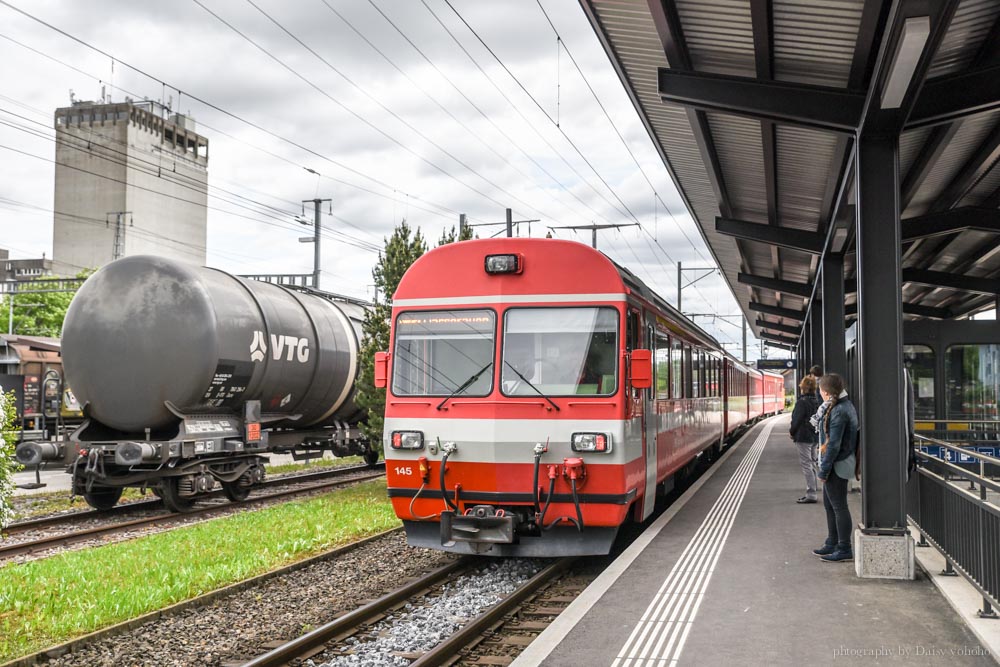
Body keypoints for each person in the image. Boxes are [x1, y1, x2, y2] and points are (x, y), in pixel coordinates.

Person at [812, 373, 858, 563]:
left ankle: (844, 547)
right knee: (830, 505)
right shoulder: (841, 406)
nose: (821, 393)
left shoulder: (839, 410)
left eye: (822, 390)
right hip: (837, 462)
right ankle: (832, 542)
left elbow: (834, 445)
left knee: (839, 507)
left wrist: (823, 470)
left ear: (827, 391)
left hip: (837, 464)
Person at [789, 376, 820, 504]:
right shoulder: (817, 401)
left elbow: (796, 420)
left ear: (805, 388)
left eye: (801, 386)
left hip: (803, 436)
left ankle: (811, 493)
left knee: (806, 464)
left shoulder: (802, 402)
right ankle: (814, 488)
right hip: (814, 436)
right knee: (812, 462)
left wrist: (792, 432)